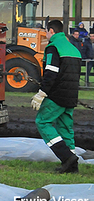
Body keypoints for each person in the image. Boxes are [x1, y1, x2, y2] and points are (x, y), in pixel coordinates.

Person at [32, 19, 81, 174]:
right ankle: (72, 167)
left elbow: (51, 73)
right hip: (71, 96)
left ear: (51, 31)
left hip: (57, 96)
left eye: (46, 31)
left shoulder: (53, 47)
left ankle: (66, 157)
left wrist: (42, 93)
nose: (46, 34)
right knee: (65, 128)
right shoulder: (74, 49)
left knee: (42, 121)